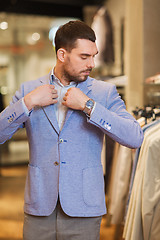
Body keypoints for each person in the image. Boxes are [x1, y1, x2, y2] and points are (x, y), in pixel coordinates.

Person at [0, 20, 143, 240]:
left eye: (93, 55)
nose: (92, 63)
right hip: (39, 208)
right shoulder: (29, 91)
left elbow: (135, 137)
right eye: (84, 57)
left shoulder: (104, 92)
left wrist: (89, 106)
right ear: (62, 55)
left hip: (84, 210)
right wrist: (28, 103)